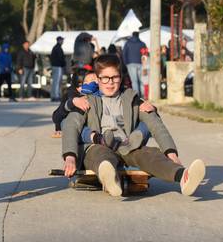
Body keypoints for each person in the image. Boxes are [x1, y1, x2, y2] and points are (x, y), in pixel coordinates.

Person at [61, 54, 205, 197]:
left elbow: (154, 123)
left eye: (115, 77)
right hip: (100, 144)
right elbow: (70, 125)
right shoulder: (87, 101)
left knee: (150, 154)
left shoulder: (132, 99)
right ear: (98, 79)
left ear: (121, 77)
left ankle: (183, 177)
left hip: (128, 145)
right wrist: (70, 156)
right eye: (105, 78)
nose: (110, 82)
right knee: (100, 155)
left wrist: (171, 152)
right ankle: (110, 179)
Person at [123, 31, 147, 98]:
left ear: (132, 35)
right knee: (141, 80)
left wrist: (126, 63)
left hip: (130, 64)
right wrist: (144, 65)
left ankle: (137, 96)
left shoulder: (127, 43)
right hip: (140, 63)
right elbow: (145, 55)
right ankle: (143, 96)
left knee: (134, 81)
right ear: (138, 35)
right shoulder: (142, 44)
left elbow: (124, 53)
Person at [50, 36, 66, 102]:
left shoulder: (56, 47)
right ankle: (55, 96)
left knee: (56, 81)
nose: (63, 41)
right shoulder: (58, 48)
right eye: (62, 40)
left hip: (56, 66)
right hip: (57, 66)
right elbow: (60, 58)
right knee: (57, 82)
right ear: (59, 40)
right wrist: (63, 64)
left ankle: (56, 95)